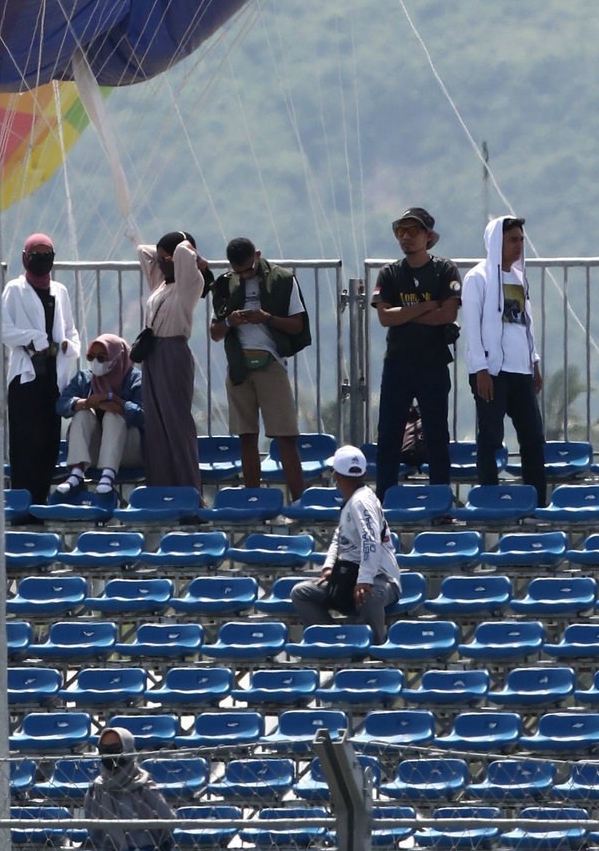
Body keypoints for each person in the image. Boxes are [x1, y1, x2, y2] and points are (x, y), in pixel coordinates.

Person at [210, 235, 311, 500]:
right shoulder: (224, 285)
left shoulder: (282, 279)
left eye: (248, 270)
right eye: (238, 272)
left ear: (258, 255)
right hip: (239, 365)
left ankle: (299, 501)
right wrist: (231, 321)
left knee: (286, 436)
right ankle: (252, 499)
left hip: (271, 364)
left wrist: (267, 319)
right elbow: (215, 332)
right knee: (246, 436)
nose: (244, 276)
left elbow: (297, 325)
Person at [371, 206, 461, 497]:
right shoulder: (390, 273)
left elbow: (447, 314)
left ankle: (439, 499)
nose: (406, 237)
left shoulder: (444, 269)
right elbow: (385, 317)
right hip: (397, 363)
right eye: (401, 231)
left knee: (437, 435)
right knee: (388, 435)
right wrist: (425, 306)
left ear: (428, 236)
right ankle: (385, 499)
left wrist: (405, 313)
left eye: (413, 231)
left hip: (433, 362)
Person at [461, 215, 547, 507]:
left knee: (533, 436)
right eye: (513, 239)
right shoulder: (478, 277)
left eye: (522, 239)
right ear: (497, 241)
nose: (519, 245)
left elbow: (526, 323)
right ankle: (488, 497)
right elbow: (472, 327)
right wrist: (481, 369)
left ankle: (537, 499)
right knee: (491, 437)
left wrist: (534, 361)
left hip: (520, 370)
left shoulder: (520, 277)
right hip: (493, 371)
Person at [58, 727, 175, 851]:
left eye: (115, 748)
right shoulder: (97, 787)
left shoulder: (144, 784)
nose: (109, 753)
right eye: (104, 748)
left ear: (127, 749)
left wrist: (138, 835)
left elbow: (168, 823)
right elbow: (94, 831)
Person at [290, 443, 401, 639]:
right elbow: (338, 538)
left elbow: (371, 541)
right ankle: (335, 641)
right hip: (347, 575)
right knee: (302, 593)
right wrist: (329, 567)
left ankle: (373, 653)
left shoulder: (361, 501)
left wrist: (365, 580)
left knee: (369, 597)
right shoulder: (352, 499)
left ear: (336, 476)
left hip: (381, 578)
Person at [1, 234, 81, 501]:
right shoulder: (15, 289)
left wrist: (69, 346)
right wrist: (33, 338)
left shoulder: (60, 291)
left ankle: (42, 500)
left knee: (49, 442)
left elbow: (71, 329)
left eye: (48, 253)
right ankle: (24, 504)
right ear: (25, 257)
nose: (43, 259)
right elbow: (3, 330)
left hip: (54, 378)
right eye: (37, 254)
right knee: (26, 444)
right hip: (27, 376)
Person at [135, 231, 209, 489]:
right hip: (153, 352)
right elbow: (143, 251)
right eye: (162, 259)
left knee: (176, 422)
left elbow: (181, 253)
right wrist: (164, 253)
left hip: (173, 351)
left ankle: (188, 489)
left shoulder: (189, 283)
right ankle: (161, 488)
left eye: (167, 259)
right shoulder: (162, 284)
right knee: (155, 422)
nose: (162, 263)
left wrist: (189, 248)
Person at [53, 336, 142, 501]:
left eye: (101, 357)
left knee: (113, 416)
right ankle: (76, 473)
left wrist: (115, 401)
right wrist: (88, 402)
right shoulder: (85, 378)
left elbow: (143, 415)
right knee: (83, 413)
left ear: (118, 357)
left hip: (127, 451)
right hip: (93, 453)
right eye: (91, 357)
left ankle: (108, 476)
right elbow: (62, 405)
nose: (95, 362)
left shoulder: (134, 378)